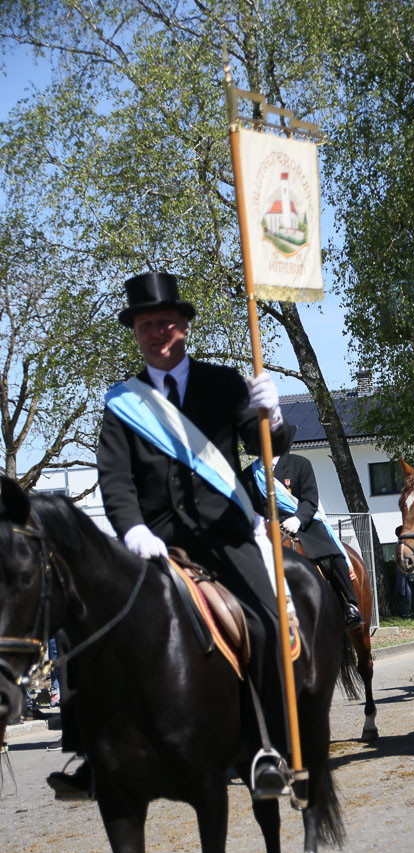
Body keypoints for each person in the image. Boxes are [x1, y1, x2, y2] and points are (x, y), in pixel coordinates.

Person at [48, 271, 294, 801]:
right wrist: (132, 529)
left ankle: (268, 748)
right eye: (145, 325)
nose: (157, 332)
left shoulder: (223, 383)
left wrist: (272, 413)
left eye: (165, 322)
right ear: (135, 333)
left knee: (270, 621)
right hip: (155, 541)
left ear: (184, 326)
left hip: (225, 535)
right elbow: (115, 477)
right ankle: (89, 756)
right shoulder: (122, 404)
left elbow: (262, 445)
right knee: (80, 626)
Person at [242, 448, 363, 630]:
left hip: (304, 523)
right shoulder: (249, 475)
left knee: (331, 554)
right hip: (266, 529)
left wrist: (297, 519)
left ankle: (350, 604)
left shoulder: (299, 464)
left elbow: (310, 500)